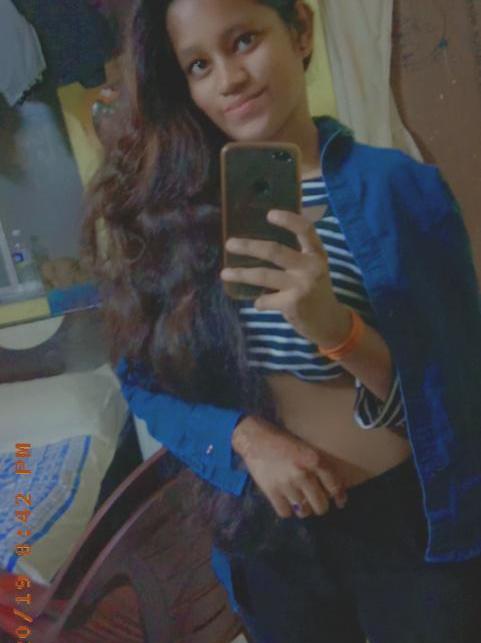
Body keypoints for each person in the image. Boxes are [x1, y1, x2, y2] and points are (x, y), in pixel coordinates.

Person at [82, 0, 481, 641]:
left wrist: (336, 330)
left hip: (406, 530)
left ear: (300, 30)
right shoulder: (175, 218)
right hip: (267, 535)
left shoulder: (400, 189)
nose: (229, 79)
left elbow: (457, 394)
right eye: (199, 65)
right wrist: (243, 439)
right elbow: (141, 381)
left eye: (244, 40)